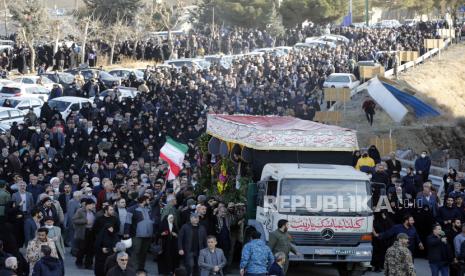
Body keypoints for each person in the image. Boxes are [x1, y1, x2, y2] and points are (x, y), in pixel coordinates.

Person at [124, 195, 153, 273]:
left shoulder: (149, 208)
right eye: (148, 200)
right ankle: (133, 269)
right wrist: (126, 232)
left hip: (148, 235)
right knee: (135, 252)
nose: (149, 201)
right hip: (137, 235)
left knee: (143, 253)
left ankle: (141, 268)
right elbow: (128, 221)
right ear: (144, 200)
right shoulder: (131, 209)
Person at [72, 198, 96, 269]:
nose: (93, 206)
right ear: (87, 205)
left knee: (91, 249)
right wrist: (85, 221)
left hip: (91, 231)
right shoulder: (80, 211)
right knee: (82, 248)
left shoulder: (93, 211)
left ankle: (88, 264)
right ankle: (79, 262)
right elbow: (74, 220)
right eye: (92, 205)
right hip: (83, 231)